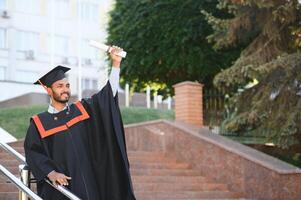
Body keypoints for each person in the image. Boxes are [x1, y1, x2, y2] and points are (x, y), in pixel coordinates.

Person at [24, 47, 136, 200]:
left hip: (92, 183)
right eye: (59, 86)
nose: (65, 89)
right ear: (48, 90)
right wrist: (51, 173)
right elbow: (33, 153)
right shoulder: (39, 123)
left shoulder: (82, 110)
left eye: (67, 85)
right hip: (63, 189)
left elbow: (107, 98)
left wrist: (115, 65)